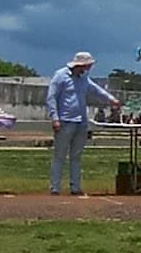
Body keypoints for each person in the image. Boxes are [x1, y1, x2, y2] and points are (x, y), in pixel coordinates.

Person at [46, 52, 121, 196]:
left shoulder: (84, 79)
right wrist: (55, 118)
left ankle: (75, 187)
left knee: (76, 156)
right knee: (60, 155)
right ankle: (55, 187)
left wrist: (112, 99)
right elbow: (51, 97)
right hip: (65, 120)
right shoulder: (61, 75)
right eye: (87, 66)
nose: (88, 69)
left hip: (81, 121)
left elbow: (96, 90)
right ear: (79, 65)